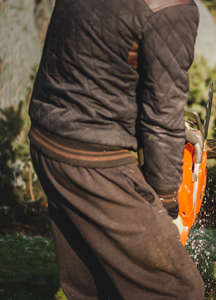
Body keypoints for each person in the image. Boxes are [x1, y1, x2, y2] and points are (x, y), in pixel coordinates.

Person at [28, 0, 204, 299]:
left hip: (49, 139)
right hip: (96, 162)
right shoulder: (170, 8)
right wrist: (165, 200)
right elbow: (162, 118)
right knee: (177, 290)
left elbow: (96, 62)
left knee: (96, 286)